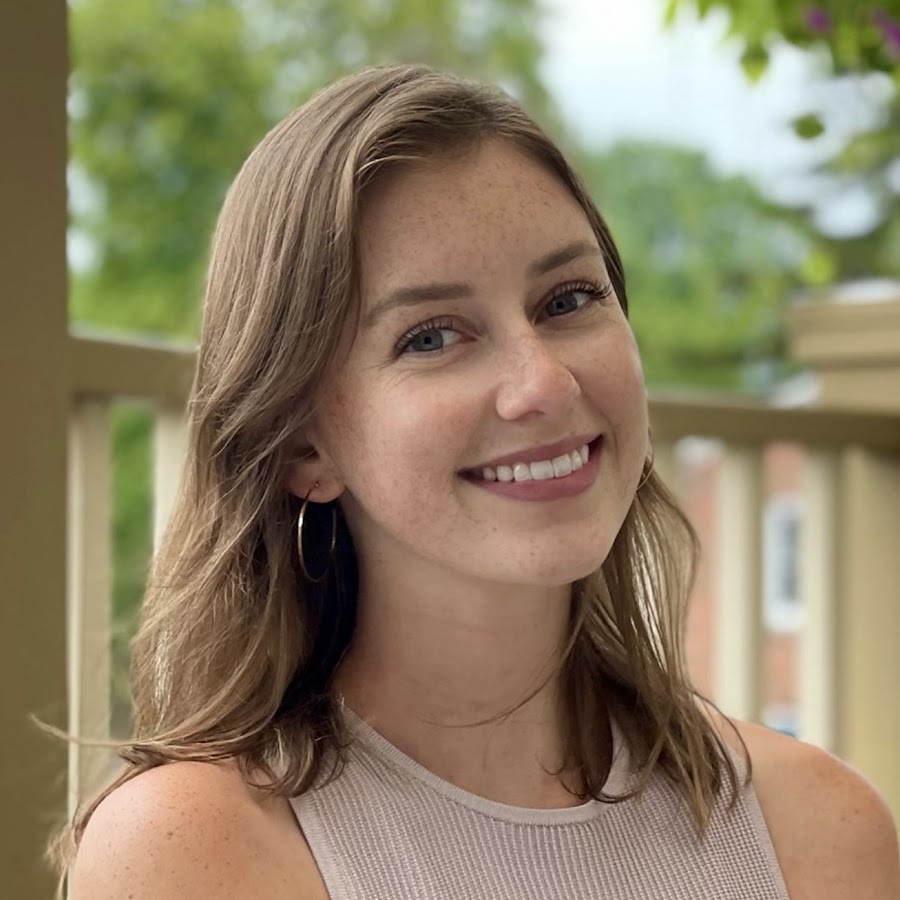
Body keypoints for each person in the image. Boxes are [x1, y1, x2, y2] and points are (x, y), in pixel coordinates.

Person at [61, 64, 898, 899]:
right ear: (303, 449)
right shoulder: (191, 852)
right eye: (431, 337)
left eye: (568, 299)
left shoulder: (817, 831)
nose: (545, 384)